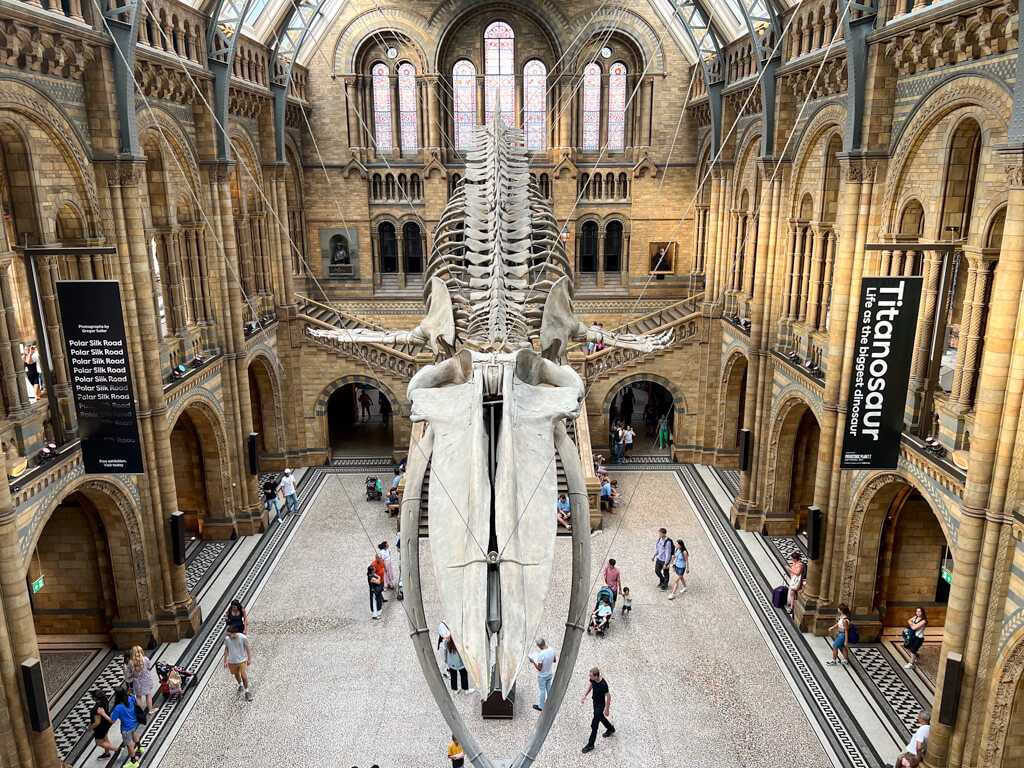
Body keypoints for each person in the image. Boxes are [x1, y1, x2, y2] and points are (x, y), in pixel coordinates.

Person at [580, 667, 614, 753]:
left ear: (596, 676)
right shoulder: (593, 680)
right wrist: (585, 695)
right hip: (595, 703)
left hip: (600, 705)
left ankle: (591, 744)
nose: (589, 677)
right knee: (600, 717)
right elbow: (591, 685)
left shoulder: (603, 684)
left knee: (594, 725)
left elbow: (608, 697)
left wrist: (607, 709)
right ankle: (610, 728)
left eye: (591, 675)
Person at [109, 687, 143, 767]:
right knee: (134, 734)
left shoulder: (118, 708)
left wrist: (103, 714)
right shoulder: (131, 697)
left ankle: (134, 762)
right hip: (134, 722)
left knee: (129, 745)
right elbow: (137, 704)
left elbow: (112, 721)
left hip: (126, 728)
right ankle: (139, 747)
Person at [223, 625, 253, 700]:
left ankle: (247, 692)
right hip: (232, 661)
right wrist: (225, 660)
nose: (228, 635)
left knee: (244, 676)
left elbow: (247, 648)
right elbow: (226, 649)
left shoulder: (243, 638)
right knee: (236, 674)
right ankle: (240, 684)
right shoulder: (227, 639)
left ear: (235, 633)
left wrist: (249, 658)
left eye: (230, 634)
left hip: (242, 660)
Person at [123, 646, 156, 715]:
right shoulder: (145, 659)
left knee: (138, 696)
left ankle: (138, 712)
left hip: (137, 681)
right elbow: (149, 667)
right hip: (146, 679)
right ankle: (150, 710)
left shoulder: (131, 663)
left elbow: (129, 673)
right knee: (148, 694)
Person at [530, 638, 556, 712]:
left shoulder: (541, 655)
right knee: (548, 686)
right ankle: (551, 702)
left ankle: (541, 706)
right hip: (549, 673)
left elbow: (539, 668)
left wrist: (533, 662)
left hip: (542, 675)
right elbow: (554, 660)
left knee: (542, 690)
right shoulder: (551, 649)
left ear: (539, 646)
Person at [87, 691, 116, 758]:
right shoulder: (104, 702)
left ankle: (116, 749)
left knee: (99, 742)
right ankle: (107, 752)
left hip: (100, 727)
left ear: (95, 698)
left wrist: (90, 728)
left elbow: (97, 722)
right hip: (106, 723)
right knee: (105, 738)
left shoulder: (96, 708)